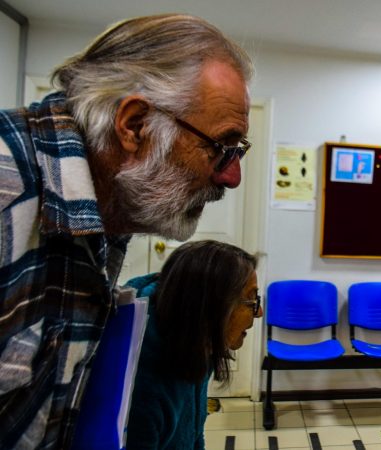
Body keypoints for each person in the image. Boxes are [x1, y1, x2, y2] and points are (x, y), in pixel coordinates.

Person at [0, 14, 253, 449]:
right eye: (221, 147)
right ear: (134, 125)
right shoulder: (10, 189)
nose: (231, 177)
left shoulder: (108, 210)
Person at [125, 240, 261, 449]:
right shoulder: (143, 388)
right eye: (250, 301)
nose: (258, 312)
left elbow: (194, 432)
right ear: (211, 306)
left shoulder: (197, 343)